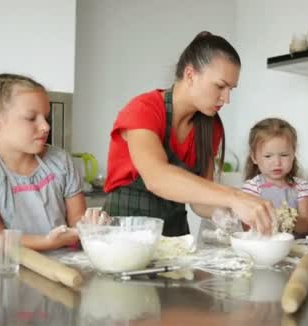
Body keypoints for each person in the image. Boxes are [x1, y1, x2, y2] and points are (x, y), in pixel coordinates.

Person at [102, 31, 274, 237]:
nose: (226, 99)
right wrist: (234, 197)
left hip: (175, 236)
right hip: (125, 234)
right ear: (190, 75)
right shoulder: (144, 109)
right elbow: (156, 178)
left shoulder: (211, 126)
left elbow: (201, 202)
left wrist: (232, 216)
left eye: (231, 89)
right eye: (220, 86)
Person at [0, 73, 101, 252]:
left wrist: (91, 225)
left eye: (46, 117)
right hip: (5, 270)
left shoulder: (61, 161)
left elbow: (77, 224)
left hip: (65, 267)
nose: (46, 126)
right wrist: (48, 242)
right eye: (31, 118)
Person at [241, 118, 308, 237]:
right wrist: (269, 219)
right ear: (254, 157)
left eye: (284, 155)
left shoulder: (301, 187)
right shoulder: (252, 187)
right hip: (263, 249)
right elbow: (246, 227)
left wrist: (288, 219)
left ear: (293, 154)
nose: (277, 162)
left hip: (295, 249)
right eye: (268, 156)